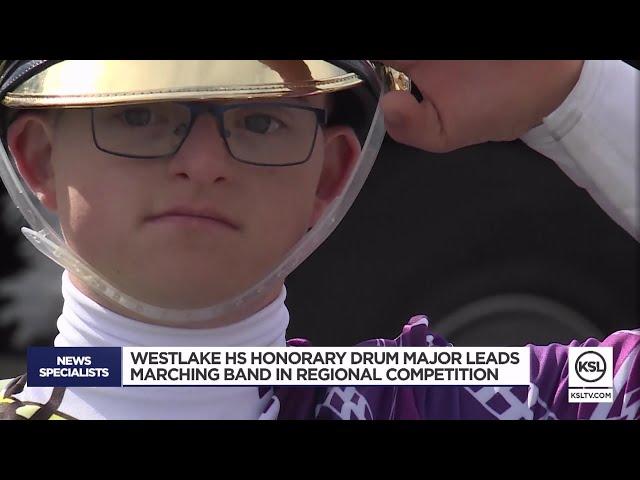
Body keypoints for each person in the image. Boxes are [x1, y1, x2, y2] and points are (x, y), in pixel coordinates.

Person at [0, 60, 637, 420]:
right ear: (37, 159)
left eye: (257, 120)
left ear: (329, 174)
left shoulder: (438, 402)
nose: (201, 162)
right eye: (138, 115)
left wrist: (577, 94)